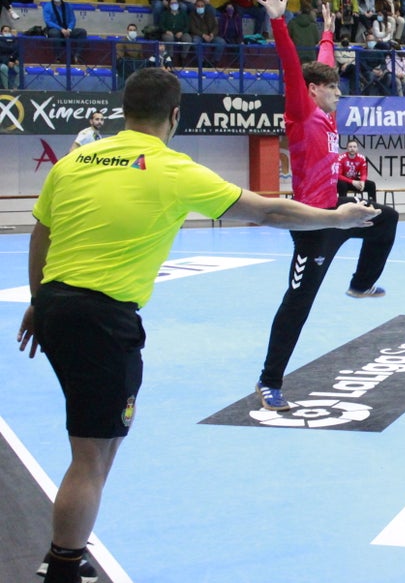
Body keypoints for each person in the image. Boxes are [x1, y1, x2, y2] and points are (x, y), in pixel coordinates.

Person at [17, 67, 380, 583]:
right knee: (91, 455)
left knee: (100, 442)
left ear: (124, 110)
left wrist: (38, 300)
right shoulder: (171, 168)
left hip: (55, 306)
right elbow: (268, 212)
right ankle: (62, 566)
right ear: (174, 116)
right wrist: (337, 219)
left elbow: (41, 233)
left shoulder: (76, 160)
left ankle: (68, 552)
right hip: (102, 319)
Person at [255, 0, 400, 412]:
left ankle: (359, 285)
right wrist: (279, 21)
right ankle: (269, 382)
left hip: (341, 209)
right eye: (332, 89)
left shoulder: (326, 109)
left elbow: (322, 63)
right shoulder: (301, 110)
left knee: (386, 219)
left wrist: (327, 34)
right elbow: (291, 68)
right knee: (298, 303)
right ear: (314, 90)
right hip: (311, 222)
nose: (339, 93)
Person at [336, 137, 376, 203]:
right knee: (342, 185)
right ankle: (342, 206)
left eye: (354, 147)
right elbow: (338, 175)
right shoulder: (341, 158)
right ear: (347, 148)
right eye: (350, 147)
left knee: (371, 184)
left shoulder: (361, 158)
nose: (352, 149)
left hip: (355, 181)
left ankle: (372, 205)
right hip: (344, 181)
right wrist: (352, 182)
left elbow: (363, 173)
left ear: (357, 149)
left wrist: (362, 181)